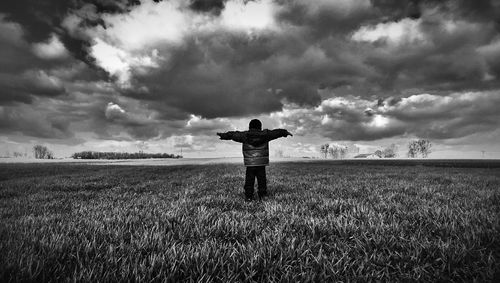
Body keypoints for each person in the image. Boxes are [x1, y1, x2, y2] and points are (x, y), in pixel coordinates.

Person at [217, 119, 292, 201]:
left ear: (250, 127)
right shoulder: (266, 134)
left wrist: (223, 135)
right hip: (261, 163)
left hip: (250, 164)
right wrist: (285, 132)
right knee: (262, 181)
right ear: (260, 127)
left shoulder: (245, 135)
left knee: (249, 181)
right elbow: (276, 133)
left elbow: (233, 135)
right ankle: (262, 196)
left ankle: (249, 197)